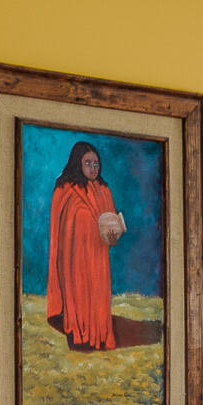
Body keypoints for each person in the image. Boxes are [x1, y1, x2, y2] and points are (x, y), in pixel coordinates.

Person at [44, 141, 121, 352]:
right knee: (77, 295)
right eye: (88, 163)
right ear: (77, 163)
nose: (93, 168)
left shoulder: (104, 190)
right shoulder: (64, 189)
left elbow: (111, 230)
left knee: (97, 296)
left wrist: (114, 234)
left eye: (97, 163)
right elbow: (56, 229)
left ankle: (99, 337)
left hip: (97, 257)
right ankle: (77, 336)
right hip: (72, 259)